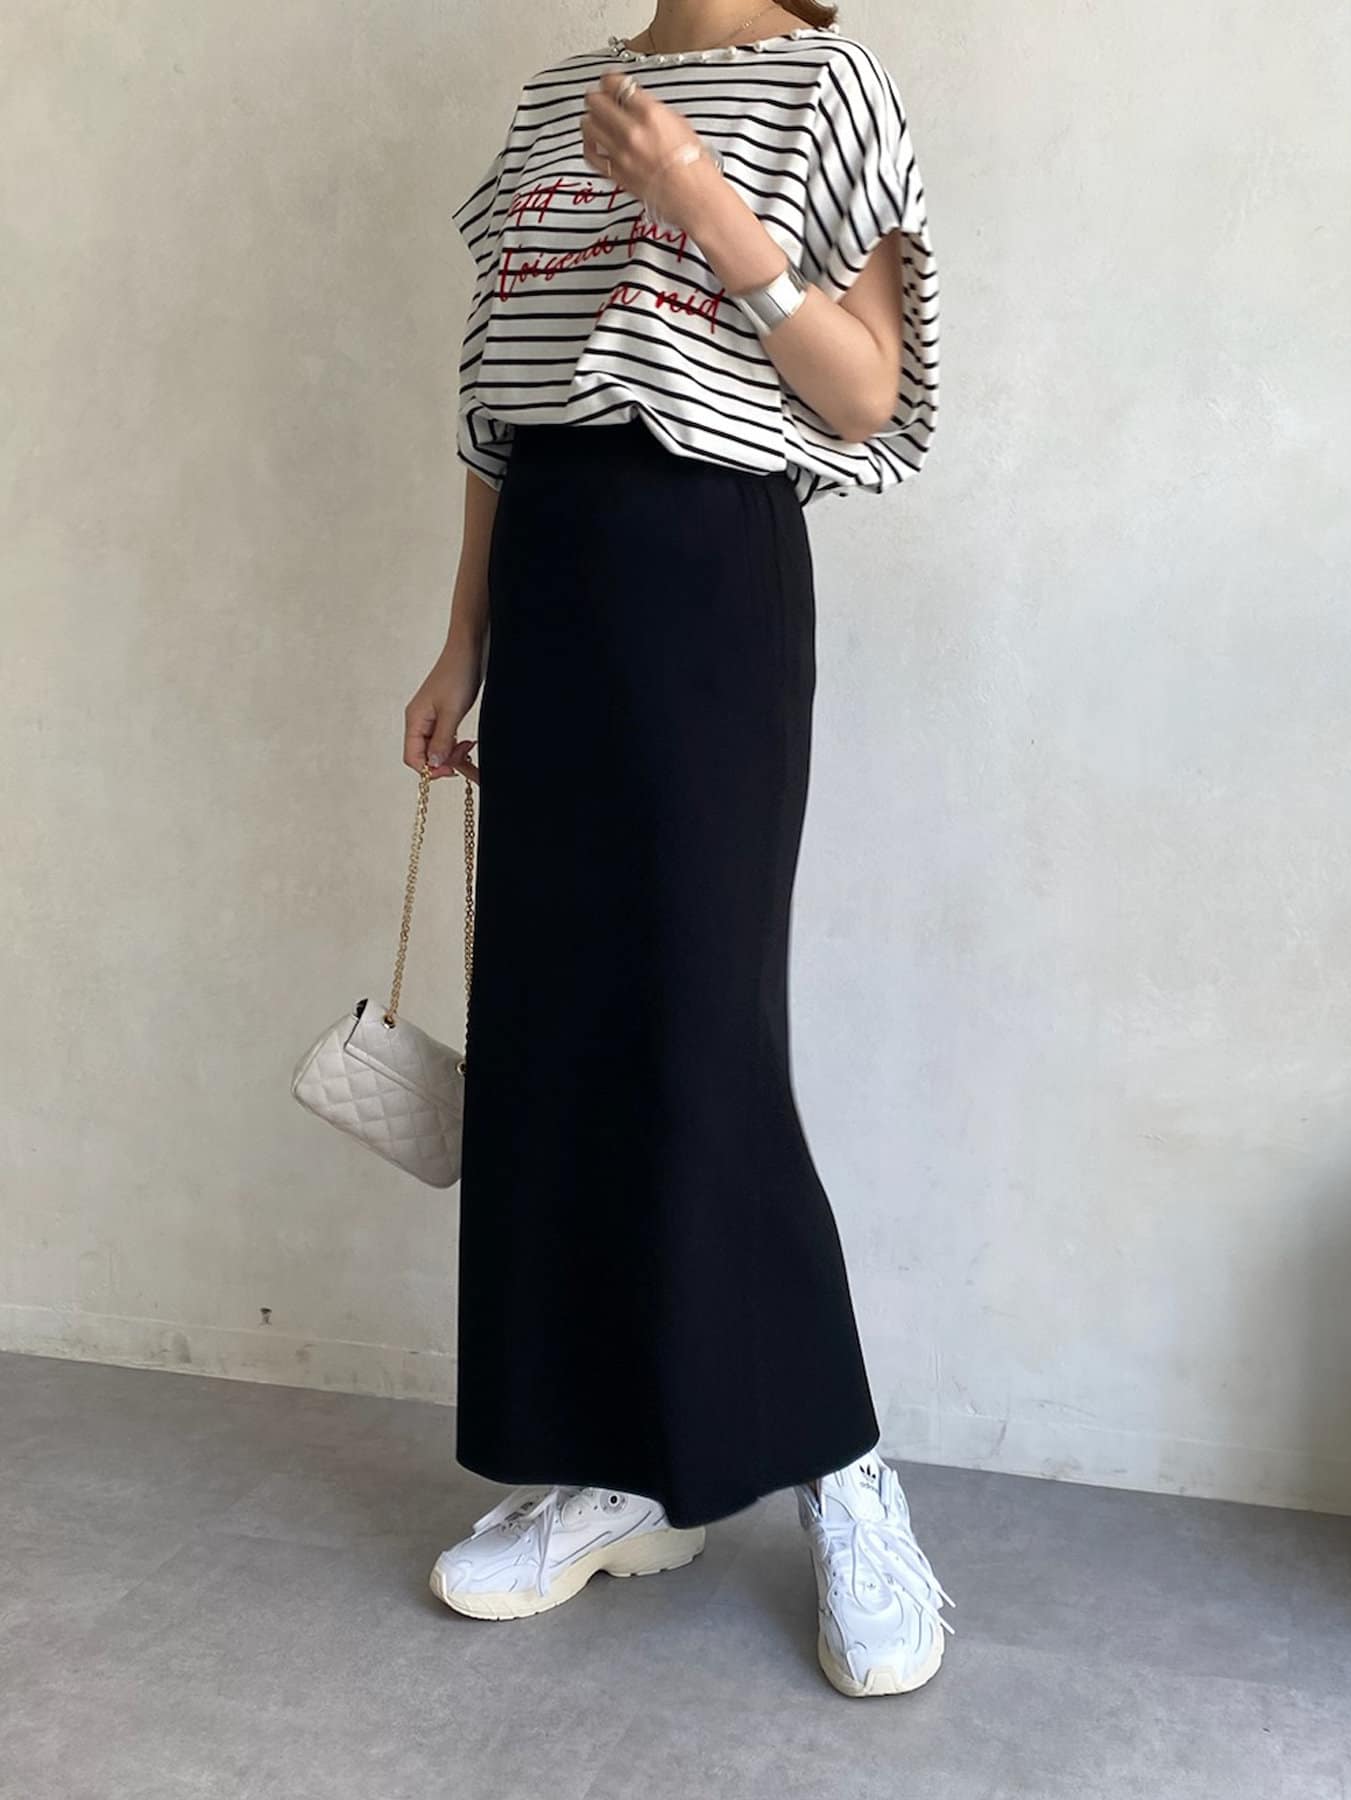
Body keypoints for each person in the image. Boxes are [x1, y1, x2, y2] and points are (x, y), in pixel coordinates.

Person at [403, 0, 948, 1698]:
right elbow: (497, 408)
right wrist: (464, 640)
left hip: (709, 562)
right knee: (559, 1033)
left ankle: (846, 1475)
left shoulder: (829, 87)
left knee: (706, 1038)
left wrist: (707, 202)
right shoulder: (555, 98)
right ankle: (619, 1469)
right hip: (556, 570)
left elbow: (865, 395)